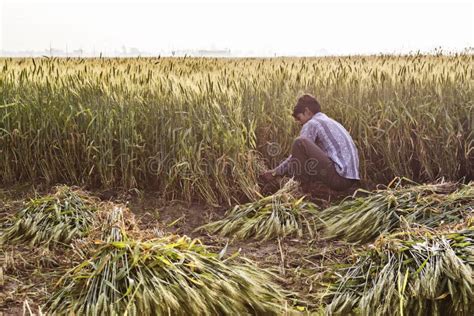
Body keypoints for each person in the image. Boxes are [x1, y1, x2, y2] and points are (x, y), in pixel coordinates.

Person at [261, 94, 360, 192]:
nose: (300, 123)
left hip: (340, 178)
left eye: (299, 118)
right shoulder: (329, 121)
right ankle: (313, 185)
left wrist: (274, 172)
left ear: (307, 111)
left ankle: (301, 188)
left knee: (299, 143)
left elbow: (295, 155)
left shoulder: (312, 123)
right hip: (350, 179)